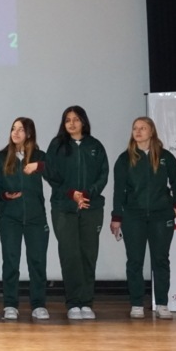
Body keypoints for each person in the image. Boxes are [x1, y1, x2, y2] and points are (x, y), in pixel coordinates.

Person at [109, 117, 176, 320]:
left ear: (152, 131)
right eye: (135, 128)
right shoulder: (125, 159)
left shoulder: (166, 157)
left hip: (161, 216)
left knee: (161, 260)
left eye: (143, 128)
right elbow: (118, 190)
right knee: (135, 261)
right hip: (133, 216)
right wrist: (116, 216)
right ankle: (137, 304)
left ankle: (162, 304)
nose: (138, 131)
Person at [44, 106, 108, 320]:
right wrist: (71, 194)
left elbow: (103, 175)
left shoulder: (95, 146)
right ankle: (73, 303)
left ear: (84, 122)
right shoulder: (57, 145)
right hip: (64, 208)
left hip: (91, 207)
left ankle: (86, 302)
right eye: (67, 120)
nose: (71, 123)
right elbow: (51, 174)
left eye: (76, 119)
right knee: (70, 255)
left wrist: (87, 194)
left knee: (88, 255)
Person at [0, 117, 50, 320]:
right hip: (10, 217)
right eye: (13, 129)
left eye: (21, 129)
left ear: (29, 133)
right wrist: (4, 195)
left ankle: (38, 304)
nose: (15, 133)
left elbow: (57, 172)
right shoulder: (1, 158)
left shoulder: (39, 156)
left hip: (36, 218)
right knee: (11, 261)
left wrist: (39, 166)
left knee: (37, 262)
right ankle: (10, 304)